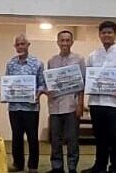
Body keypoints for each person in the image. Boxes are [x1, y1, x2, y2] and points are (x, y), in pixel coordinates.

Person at [82, 21, 116, 173]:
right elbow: (88, 76)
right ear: (99, 35)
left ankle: (114, 167)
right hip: (96, 102)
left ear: (115, 34)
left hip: (115, 102)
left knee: (114, 135)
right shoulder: (93, 55)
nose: (106, 35)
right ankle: (99, 166)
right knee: (99, 136)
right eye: (103, 33)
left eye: (109, 32)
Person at [46, 30, 86, 173]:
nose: (64, 43)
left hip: (71, 105)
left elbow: (82, 84)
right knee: (55, 139)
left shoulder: (79, 60)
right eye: (62, 40)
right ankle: (57, 167)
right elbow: (49, 83)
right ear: (57, 42)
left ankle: (72, 167)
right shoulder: (51, 61)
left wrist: (80, 104)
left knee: (72, 139)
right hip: (55, 106)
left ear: (72, 42)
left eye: (67, 40)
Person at [6, 34, 46, 173]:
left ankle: (33, 166)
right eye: (18, 44)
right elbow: (8, 83)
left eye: (23, 44)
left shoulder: (37, 63)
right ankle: (17, 164)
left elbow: (42, 84)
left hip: (31, 107)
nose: (20, 46)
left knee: (32, 137)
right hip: (14, 107)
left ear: (28, 45)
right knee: (16, 136)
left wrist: (38, 94)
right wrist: (6, 93)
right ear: (15, 46)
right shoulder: (10, 64)